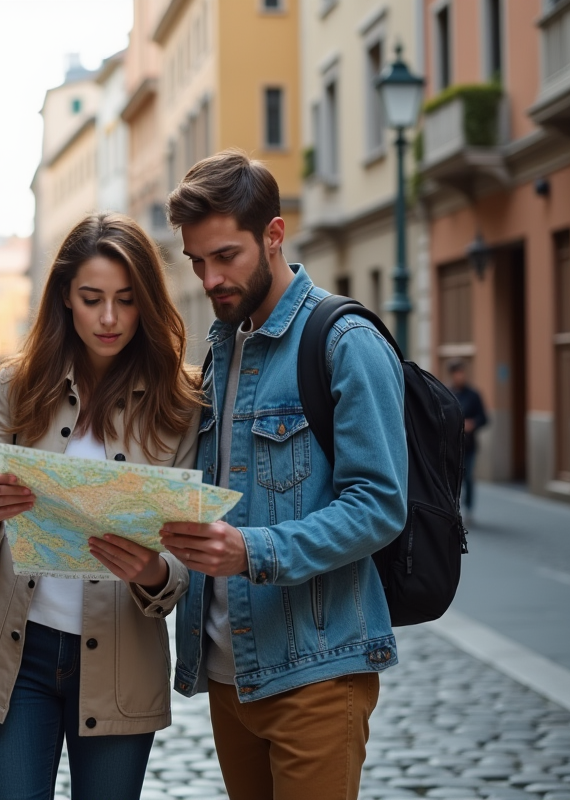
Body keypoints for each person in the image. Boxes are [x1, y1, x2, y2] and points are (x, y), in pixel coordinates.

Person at [159, 150, 409, 800]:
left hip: (316, 676)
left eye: (225, 256)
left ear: (274, 235)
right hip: (227, 674)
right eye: (196, 261)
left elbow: (380, 505)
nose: (210, 277)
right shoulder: (220, 349)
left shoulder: (343, 342)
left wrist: (251, 550)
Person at [0, 213, 203, 800]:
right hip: (19, 656)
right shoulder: (18, 386)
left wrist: (155, 571)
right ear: (65, 297)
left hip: (119, 660)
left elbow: (189, 554)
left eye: (126, 300)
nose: (108, 318)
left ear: (147, 305)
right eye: (92, 299)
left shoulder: (180, 405)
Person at [449, 361, 487, 520]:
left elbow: (484, 418)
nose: (460, 376)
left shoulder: (474, 394)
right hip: (452, 446)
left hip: (469, 445)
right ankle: (452, 508)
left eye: (462, 372)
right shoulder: (447, 393)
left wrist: (473, 424)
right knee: (453, 478)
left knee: (469, 477)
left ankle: (469, 509)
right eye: (457, 372)